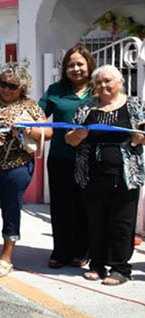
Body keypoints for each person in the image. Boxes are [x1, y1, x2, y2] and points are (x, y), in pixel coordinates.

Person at [0, 64, 50, 278]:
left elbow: (48, 132)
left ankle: (6, 257)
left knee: (11, 209)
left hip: (15, 167)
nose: (5, 89)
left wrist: (27, 129)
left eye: (11, 85)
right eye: (2, 83)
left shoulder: (29, 105)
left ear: (21, 87)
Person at [66, 65, 144, 287]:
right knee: (95, 220)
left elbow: (143, 135)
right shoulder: (86, 107)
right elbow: (69, 139)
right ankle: (97, 264)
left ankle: (120, 268)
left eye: (107, 81)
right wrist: (78, 135)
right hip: (92, 174)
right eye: (98, 82)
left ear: (120, 82)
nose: (103, 86)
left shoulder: (135, 105)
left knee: (122, 222)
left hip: (125, 174)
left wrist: (139, 138)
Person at [38, 44, 95, 268]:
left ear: (89, 65)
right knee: (61, 207)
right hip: (60, 158)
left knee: (84, 206)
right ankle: (61, 252)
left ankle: (82, 251)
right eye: (71, 65)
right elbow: (37, 114)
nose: (76, 69)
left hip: (91, 160)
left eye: (80, 64)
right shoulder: (55, 90)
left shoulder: (97, 90)